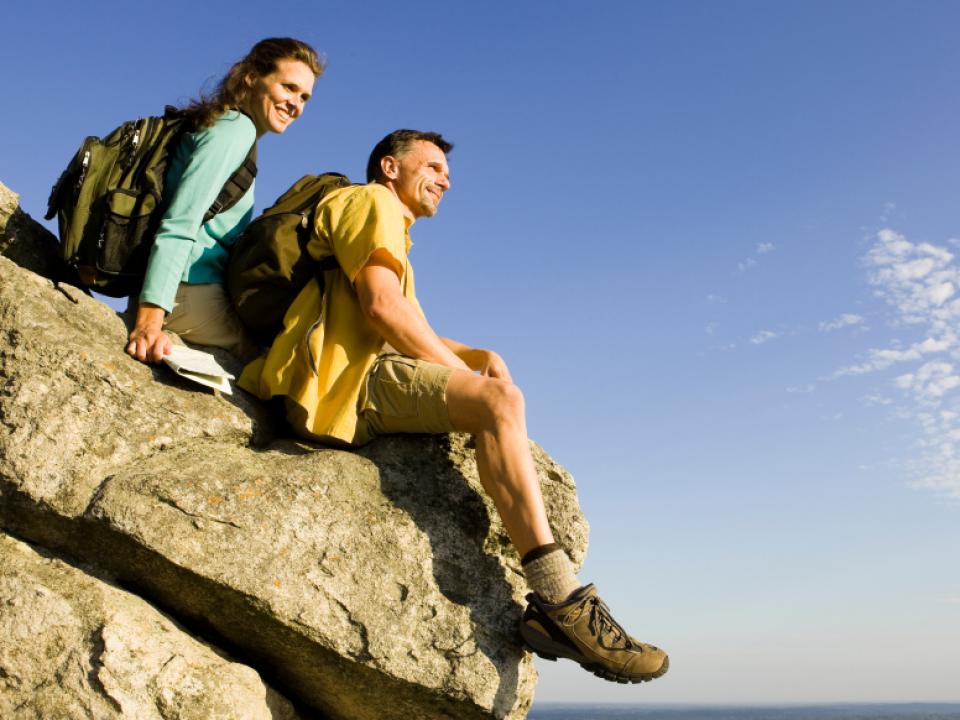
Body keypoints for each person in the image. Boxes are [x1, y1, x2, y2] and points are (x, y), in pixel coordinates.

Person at [239, 130, 669, 684]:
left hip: (342, 379)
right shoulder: (372, 202)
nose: (446, 179)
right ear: (390, 167)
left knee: (492, 388)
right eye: (434, 166)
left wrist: (478, 353)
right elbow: (383, 310)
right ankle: (563, 606)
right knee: (500, 401)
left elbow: (401, 322)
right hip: (343, 386)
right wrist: (471, 381)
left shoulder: (383, 228)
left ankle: (553, 619)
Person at [126, 37, 322, 365]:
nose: (296, 105)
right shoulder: (235, 131)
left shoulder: (227, 126)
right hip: (186, 294)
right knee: (276, 367)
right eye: (288, 88)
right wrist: (148, 323)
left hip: (181, 292)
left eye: (304, 97)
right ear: (250, 77)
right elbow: (180, 222)